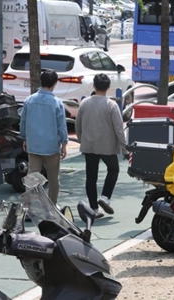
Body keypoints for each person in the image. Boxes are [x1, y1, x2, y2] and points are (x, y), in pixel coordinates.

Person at [75, 73, 128, 218]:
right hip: (107, 146)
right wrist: (124, 148)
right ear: (109, 87)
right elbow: (118, 128)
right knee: (113, 169)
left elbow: (77, 124)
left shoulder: (85, 103)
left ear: (94, 85)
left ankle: (94, 208)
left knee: (91, 176)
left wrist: (82, 139)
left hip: (89, 145)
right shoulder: (111, 105)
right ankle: (105, 197)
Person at [20, 70, 68, 205]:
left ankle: (29, 206)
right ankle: (52, 205)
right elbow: (61, 126)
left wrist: (24, 138)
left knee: (32, 178)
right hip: (51, 147)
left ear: (41, 82)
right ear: (55, 83)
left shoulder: (29, 100)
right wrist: (64, 143)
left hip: (34, 145)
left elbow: (23, 122)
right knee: (53, 178)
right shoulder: (57, 102)